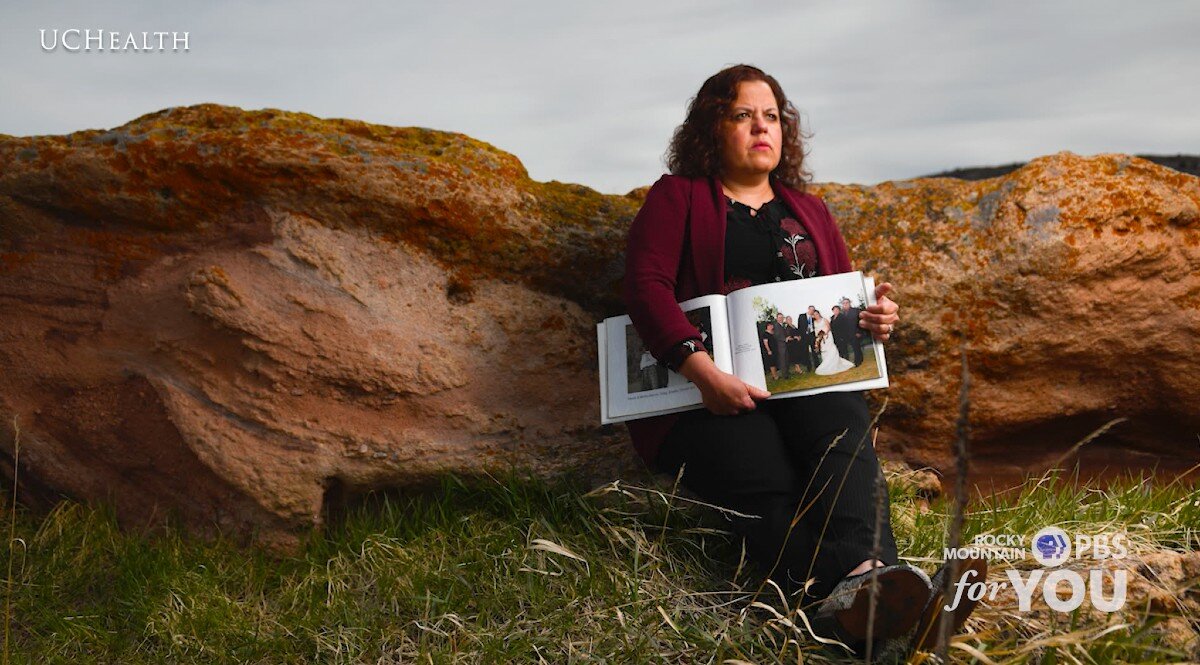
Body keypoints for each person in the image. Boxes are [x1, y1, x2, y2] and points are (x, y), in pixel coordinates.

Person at [621, 64, 985, 657]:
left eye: (771, 116)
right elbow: (646, 288)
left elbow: (839, 296)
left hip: (806, 383)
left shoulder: (810, 210)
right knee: (768, 472)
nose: (761, 127)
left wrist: (873, 317)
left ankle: (867, 589)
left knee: (844, 441)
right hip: (705, 396)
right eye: (742, 115)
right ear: (712, 128)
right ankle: (881, 610)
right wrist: (702, 371)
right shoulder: (677, 197)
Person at [814, 309, 855, 375]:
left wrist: (824, 333)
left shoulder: (824, 319)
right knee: (824, 350)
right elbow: (816, 330)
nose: (816, 315)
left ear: (819, 314)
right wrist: (818, 337)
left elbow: (829, 327)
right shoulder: (814, 322)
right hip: (820, 338)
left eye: (817, 314)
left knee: (830, 348)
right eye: (814, 315)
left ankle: (834, 363)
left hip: (827, 336)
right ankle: (827, 365)